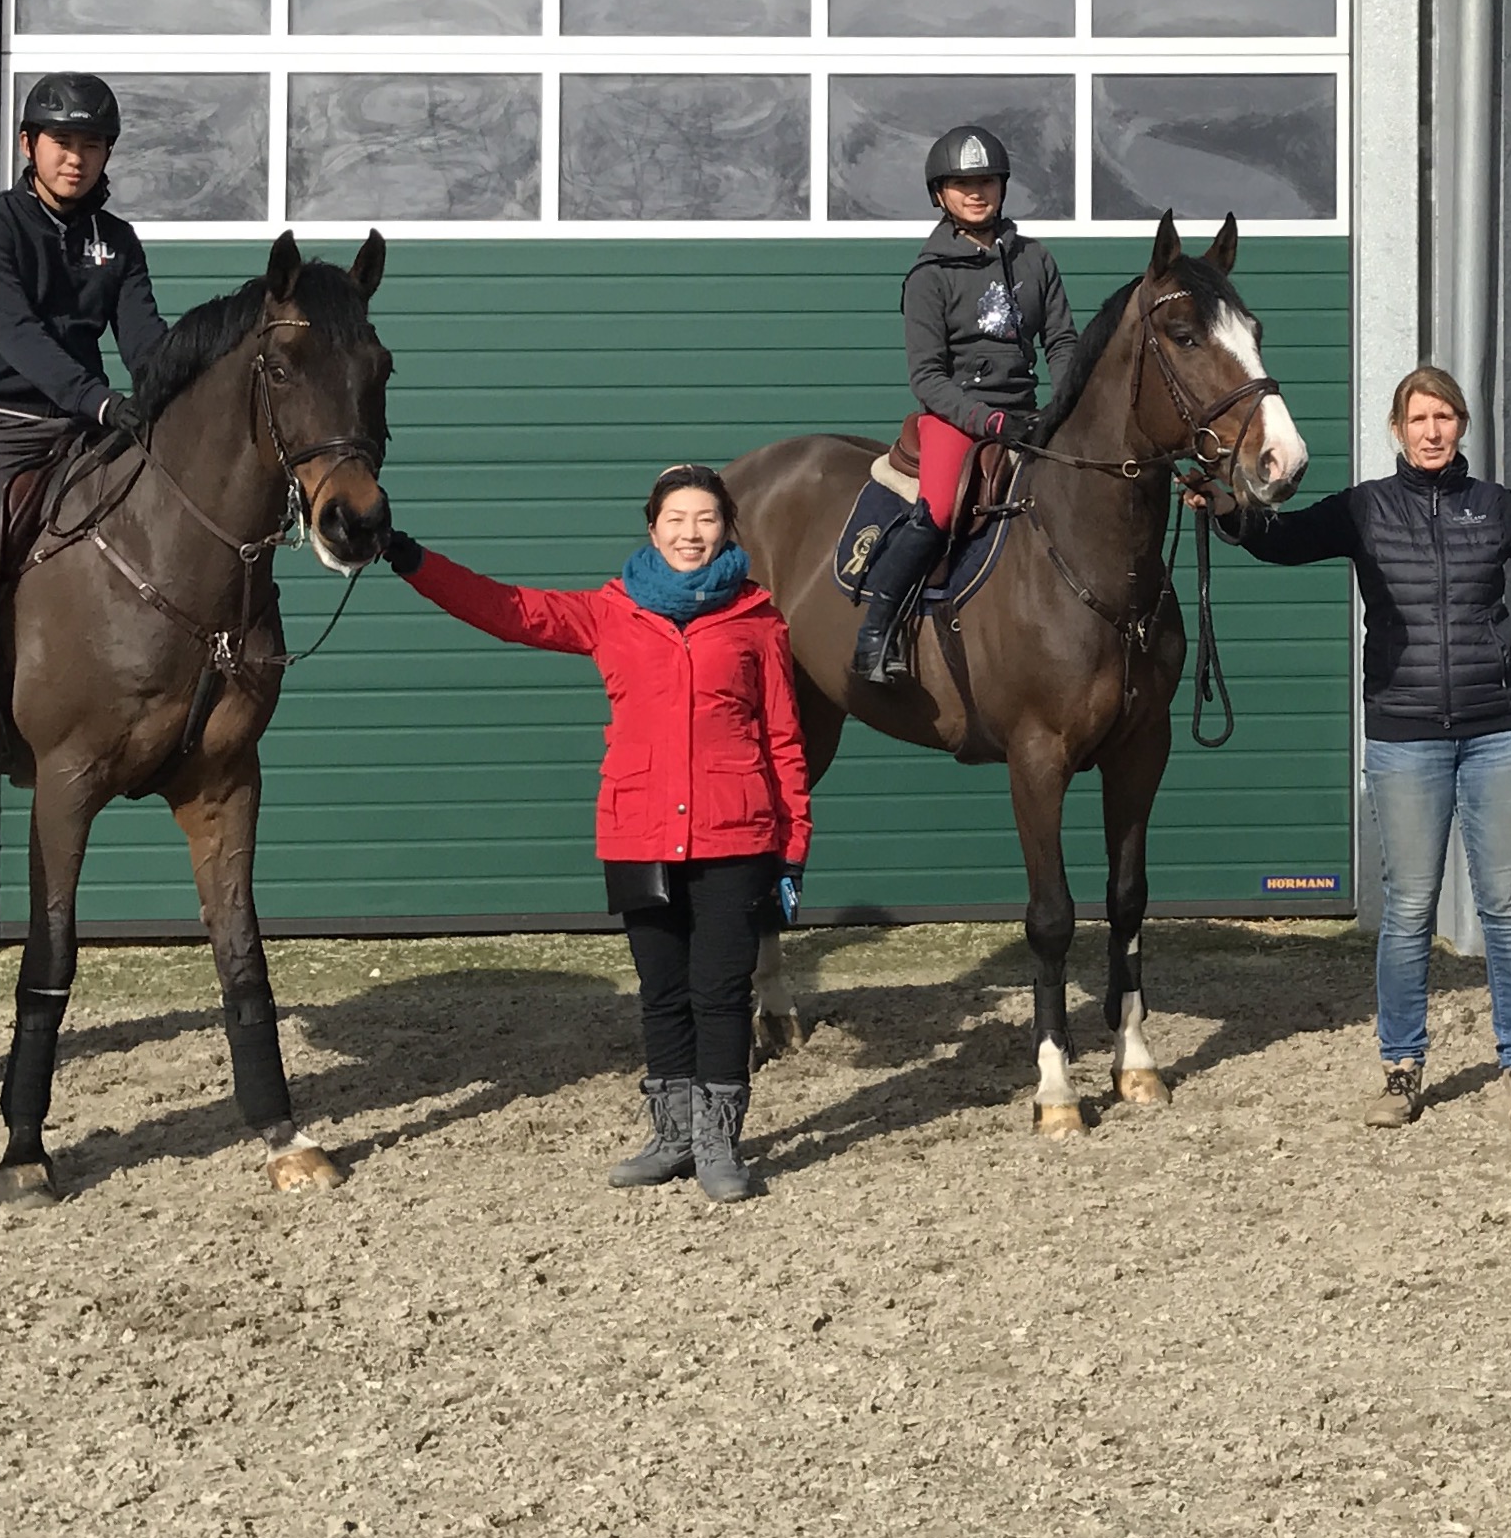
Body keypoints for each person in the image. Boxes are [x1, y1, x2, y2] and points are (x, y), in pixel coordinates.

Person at [1208, 365, 1511, 1134]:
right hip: (1404, 736)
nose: (1433, 430)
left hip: (1496, 732)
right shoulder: (1364, 509)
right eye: (1420, 418)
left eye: (1446, 416)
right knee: (1408, 910)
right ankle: (1402, 1067)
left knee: (1506, 908)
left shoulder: (1495, 509)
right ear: (1398, 429)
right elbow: (1281, 541)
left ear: (1463, 426)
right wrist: (1228, 513)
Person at [383, 466, 809, 1202]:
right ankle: (672, 1133)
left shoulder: (758, 620)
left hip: (734, 834)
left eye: (706, 518)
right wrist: (405, 554)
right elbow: (506, 607)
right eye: (676, 518)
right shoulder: (609, 613)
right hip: (638, 830)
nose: (691, 532)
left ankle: (718, 1142)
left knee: (720, 991)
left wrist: (793, 846)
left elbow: (784, 740)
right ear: (652, 528)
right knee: (662, 990)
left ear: (726, 528)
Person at [0, 72, 169, 781]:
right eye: (62, 141)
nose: (76, 158)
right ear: (28, 144)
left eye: (93, 145)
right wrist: (99, 401)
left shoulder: (116, 240)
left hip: (84, 428)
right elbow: (19, 337)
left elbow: (145, 340)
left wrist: (180, 385)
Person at [851, 125, 1080, 684]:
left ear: (1002, 187)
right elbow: (927, 378)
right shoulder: (929, 277)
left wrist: (1068, 404)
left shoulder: (1036, 260)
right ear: (940, 194)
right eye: (961, 184)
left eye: (985, 182)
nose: (975, 193)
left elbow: (1063, 342)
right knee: (940, 511)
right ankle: (876, 633)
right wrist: (987, 419)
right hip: (958, 416)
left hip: (1028, 413)